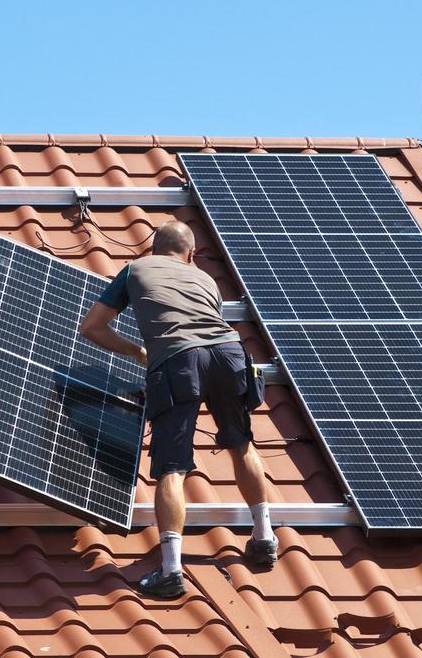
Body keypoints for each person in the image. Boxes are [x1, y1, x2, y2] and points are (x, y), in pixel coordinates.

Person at [80, 220, 277, 600]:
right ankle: (264, 535)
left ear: (155, 249)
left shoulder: (136, 269)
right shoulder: (205, 279)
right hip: (230, 353)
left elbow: (92, 327)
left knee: (172, 466)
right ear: (191, 254)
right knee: (241, 443)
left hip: (178, 360)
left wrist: (140, 353)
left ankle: (171, 570)